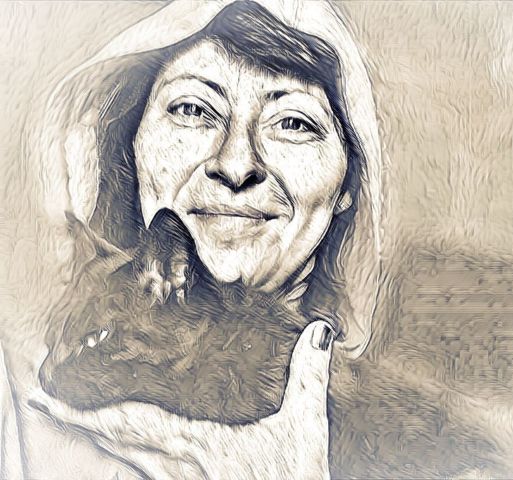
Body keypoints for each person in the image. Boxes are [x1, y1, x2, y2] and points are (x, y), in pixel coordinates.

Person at [0, 0, 382, 478]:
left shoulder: (428, 440)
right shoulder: (12, 413)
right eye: (192, 109)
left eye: (293, 123)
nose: (236, 165)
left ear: (349, 186)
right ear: (127, 145)